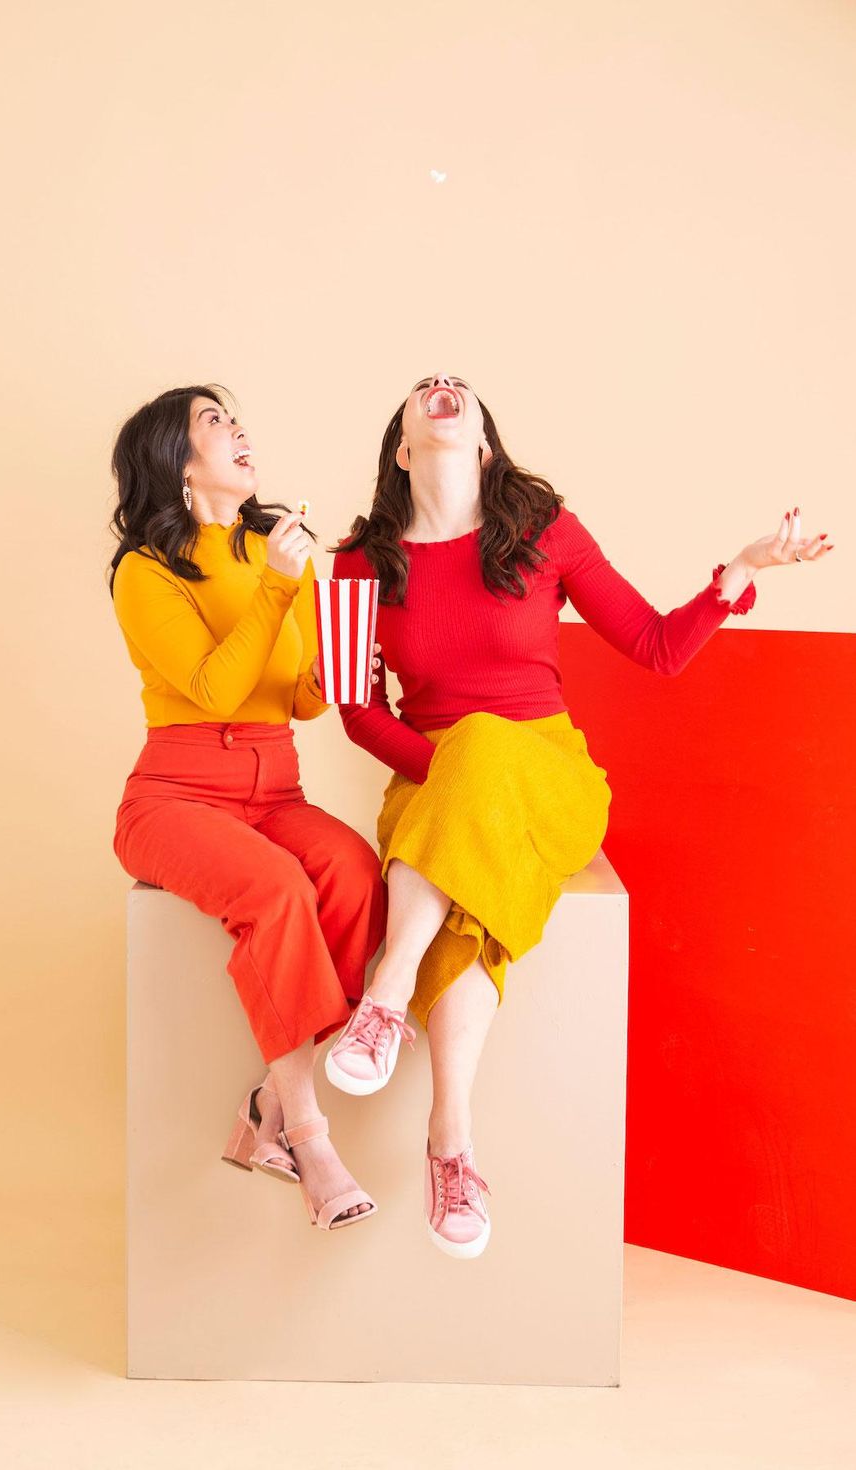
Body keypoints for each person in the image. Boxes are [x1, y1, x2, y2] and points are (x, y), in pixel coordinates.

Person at [326, 370, 834, 1259]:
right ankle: (453, 1142)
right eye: (421, 388)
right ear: (403, 448)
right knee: (468, 884)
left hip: (552, 774)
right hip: (435, 774)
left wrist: (742, 572)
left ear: (483, 441)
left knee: (477, 771)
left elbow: (655, 647)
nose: (441, 385)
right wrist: (455, 770)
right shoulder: (357, 564)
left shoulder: (546, 534)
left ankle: (386, 993)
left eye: (459, 385)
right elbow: (357, 710)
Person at [108, 383, 387, 1231]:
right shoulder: (145, 570)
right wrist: (276, 589)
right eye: (213, 423)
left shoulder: (276, 553)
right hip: (176, 793)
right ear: (177, 462)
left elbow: (295, 701)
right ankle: (308, 1136)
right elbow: (210, 690)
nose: (238, 430)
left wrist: (343, 666)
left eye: (234, 418)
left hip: (275, 785)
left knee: (352, 872)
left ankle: (265, 1104)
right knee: (275, 891)